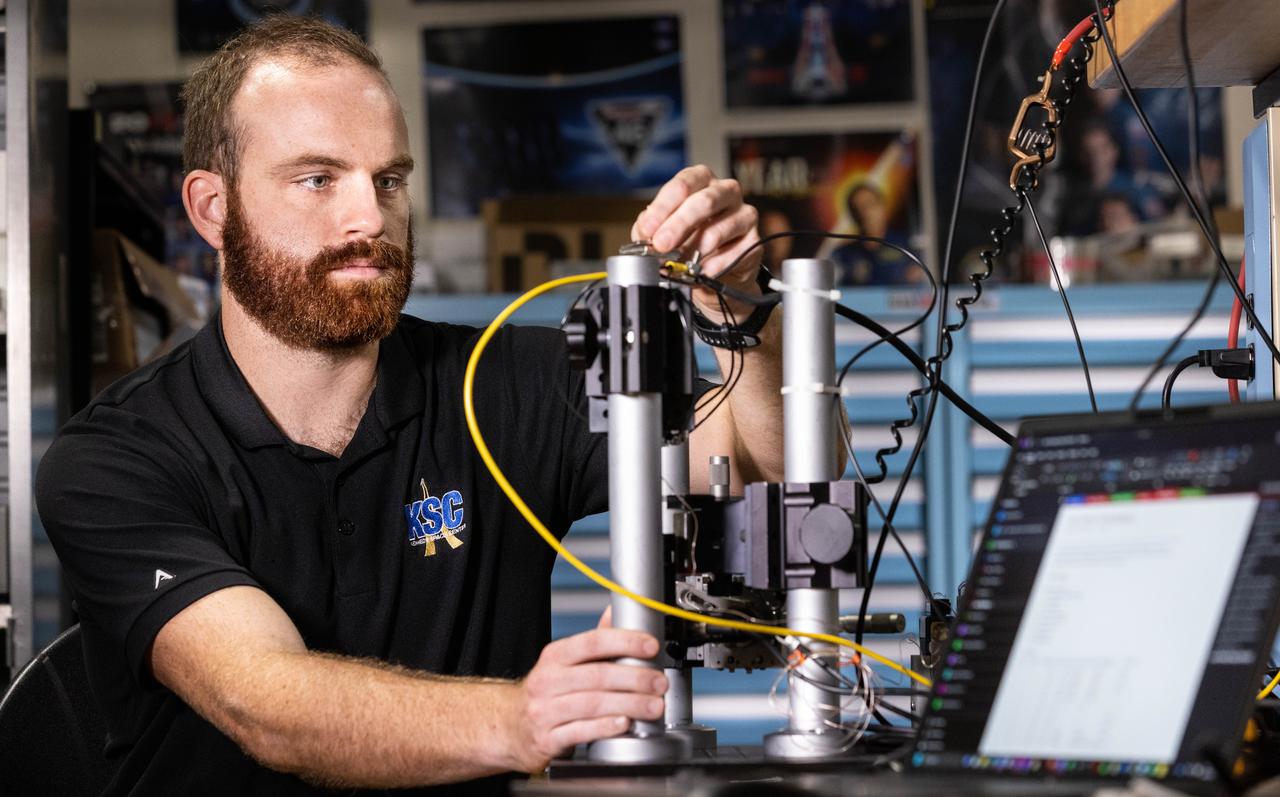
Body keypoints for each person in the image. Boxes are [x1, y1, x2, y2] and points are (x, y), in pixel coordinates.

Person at [35, 16, 783, 797]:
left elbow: (761, 474)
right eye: (318, 179)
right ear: (212, 207)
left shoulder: (505, 381)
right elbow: (265, 700)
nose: (369, 220)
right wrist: (520, 719)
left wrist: (741, 312)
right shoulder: (114, 458)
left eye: (388, 180)